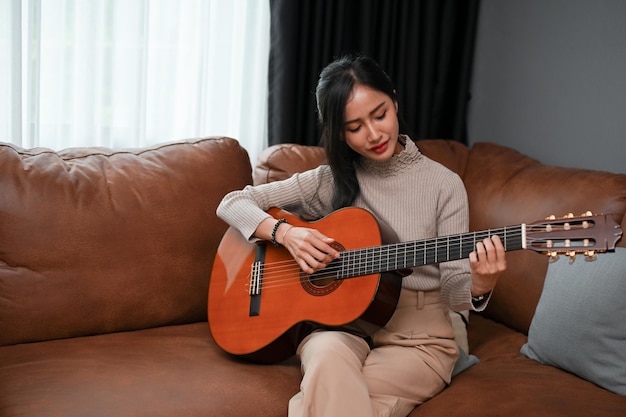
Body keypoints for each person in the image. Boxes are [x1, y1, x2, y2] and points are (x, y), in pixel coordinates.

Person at [216, 54, 506, 417]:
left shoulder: (443, 184)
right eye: (354, 127)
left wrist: (479, 285)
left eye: (380, 114)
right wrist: (285, 234)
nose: (373, 134)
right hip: (341, 325)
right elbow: (233, 202)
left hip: (417, 339)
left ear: (395, 101)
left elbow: (452, 288)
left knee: (324, 400)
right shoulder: (330, 179)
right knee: (324, 358)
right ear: (338, 132)